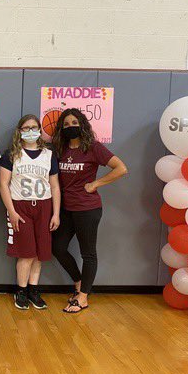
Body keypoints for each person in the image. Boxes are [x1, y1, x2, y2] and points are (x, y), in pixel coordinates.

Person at [51, 108, 128, 313]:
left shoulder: (93, 147)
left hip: (87, 208)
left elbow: (121, 168)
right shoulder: (60, 148)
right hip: (66, 208)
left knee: (88, 254)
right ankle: (78, 284)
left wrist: (96, 184)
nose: (70, 127)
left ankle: (83, 298)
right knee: (57, 248)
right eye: (66, 124)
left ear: (82, 124)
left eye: (74, 123)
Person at [0, 114, 61, 310]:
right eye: (26, 128)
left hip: (44, 205)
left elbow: (55, 186)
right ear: (20, 131)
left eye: (34, 127)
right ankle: (21, 291)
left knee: (39, 254)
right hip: (20, 206)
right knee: (25, 253)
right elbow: (3, 184)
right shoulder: (11, 154)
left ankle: (34, 289)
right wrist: (12, 211)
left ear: (40, 130)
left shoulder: (48, 155)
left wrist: (56, 213)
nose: (30, 131)